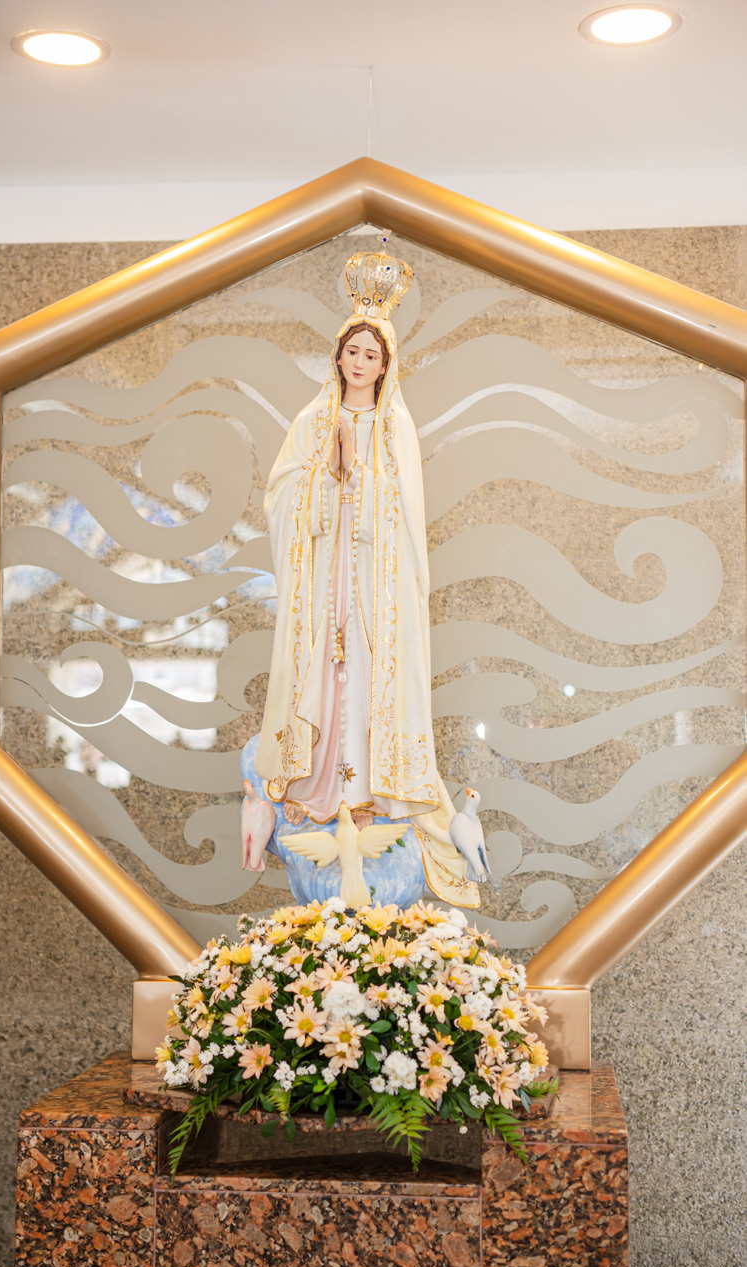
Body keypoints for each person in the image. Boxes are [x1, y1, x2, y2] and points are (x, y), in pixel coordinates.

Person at [255, 250, 476, 907]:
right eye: (351, 352)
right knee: (323, 672)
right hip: (324, 579)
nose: (359, 363)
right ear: (337, 356)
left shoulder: (395, 426)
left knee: (367, 678)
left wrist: (363, 475)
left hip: (375, 583)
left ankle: (369, 791)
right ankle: (323, 787)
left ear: (385, 366)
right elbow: (280, 500)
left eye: (370, 356)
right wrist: (329, 475)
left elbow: (403, 516)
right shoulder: (310, 424)